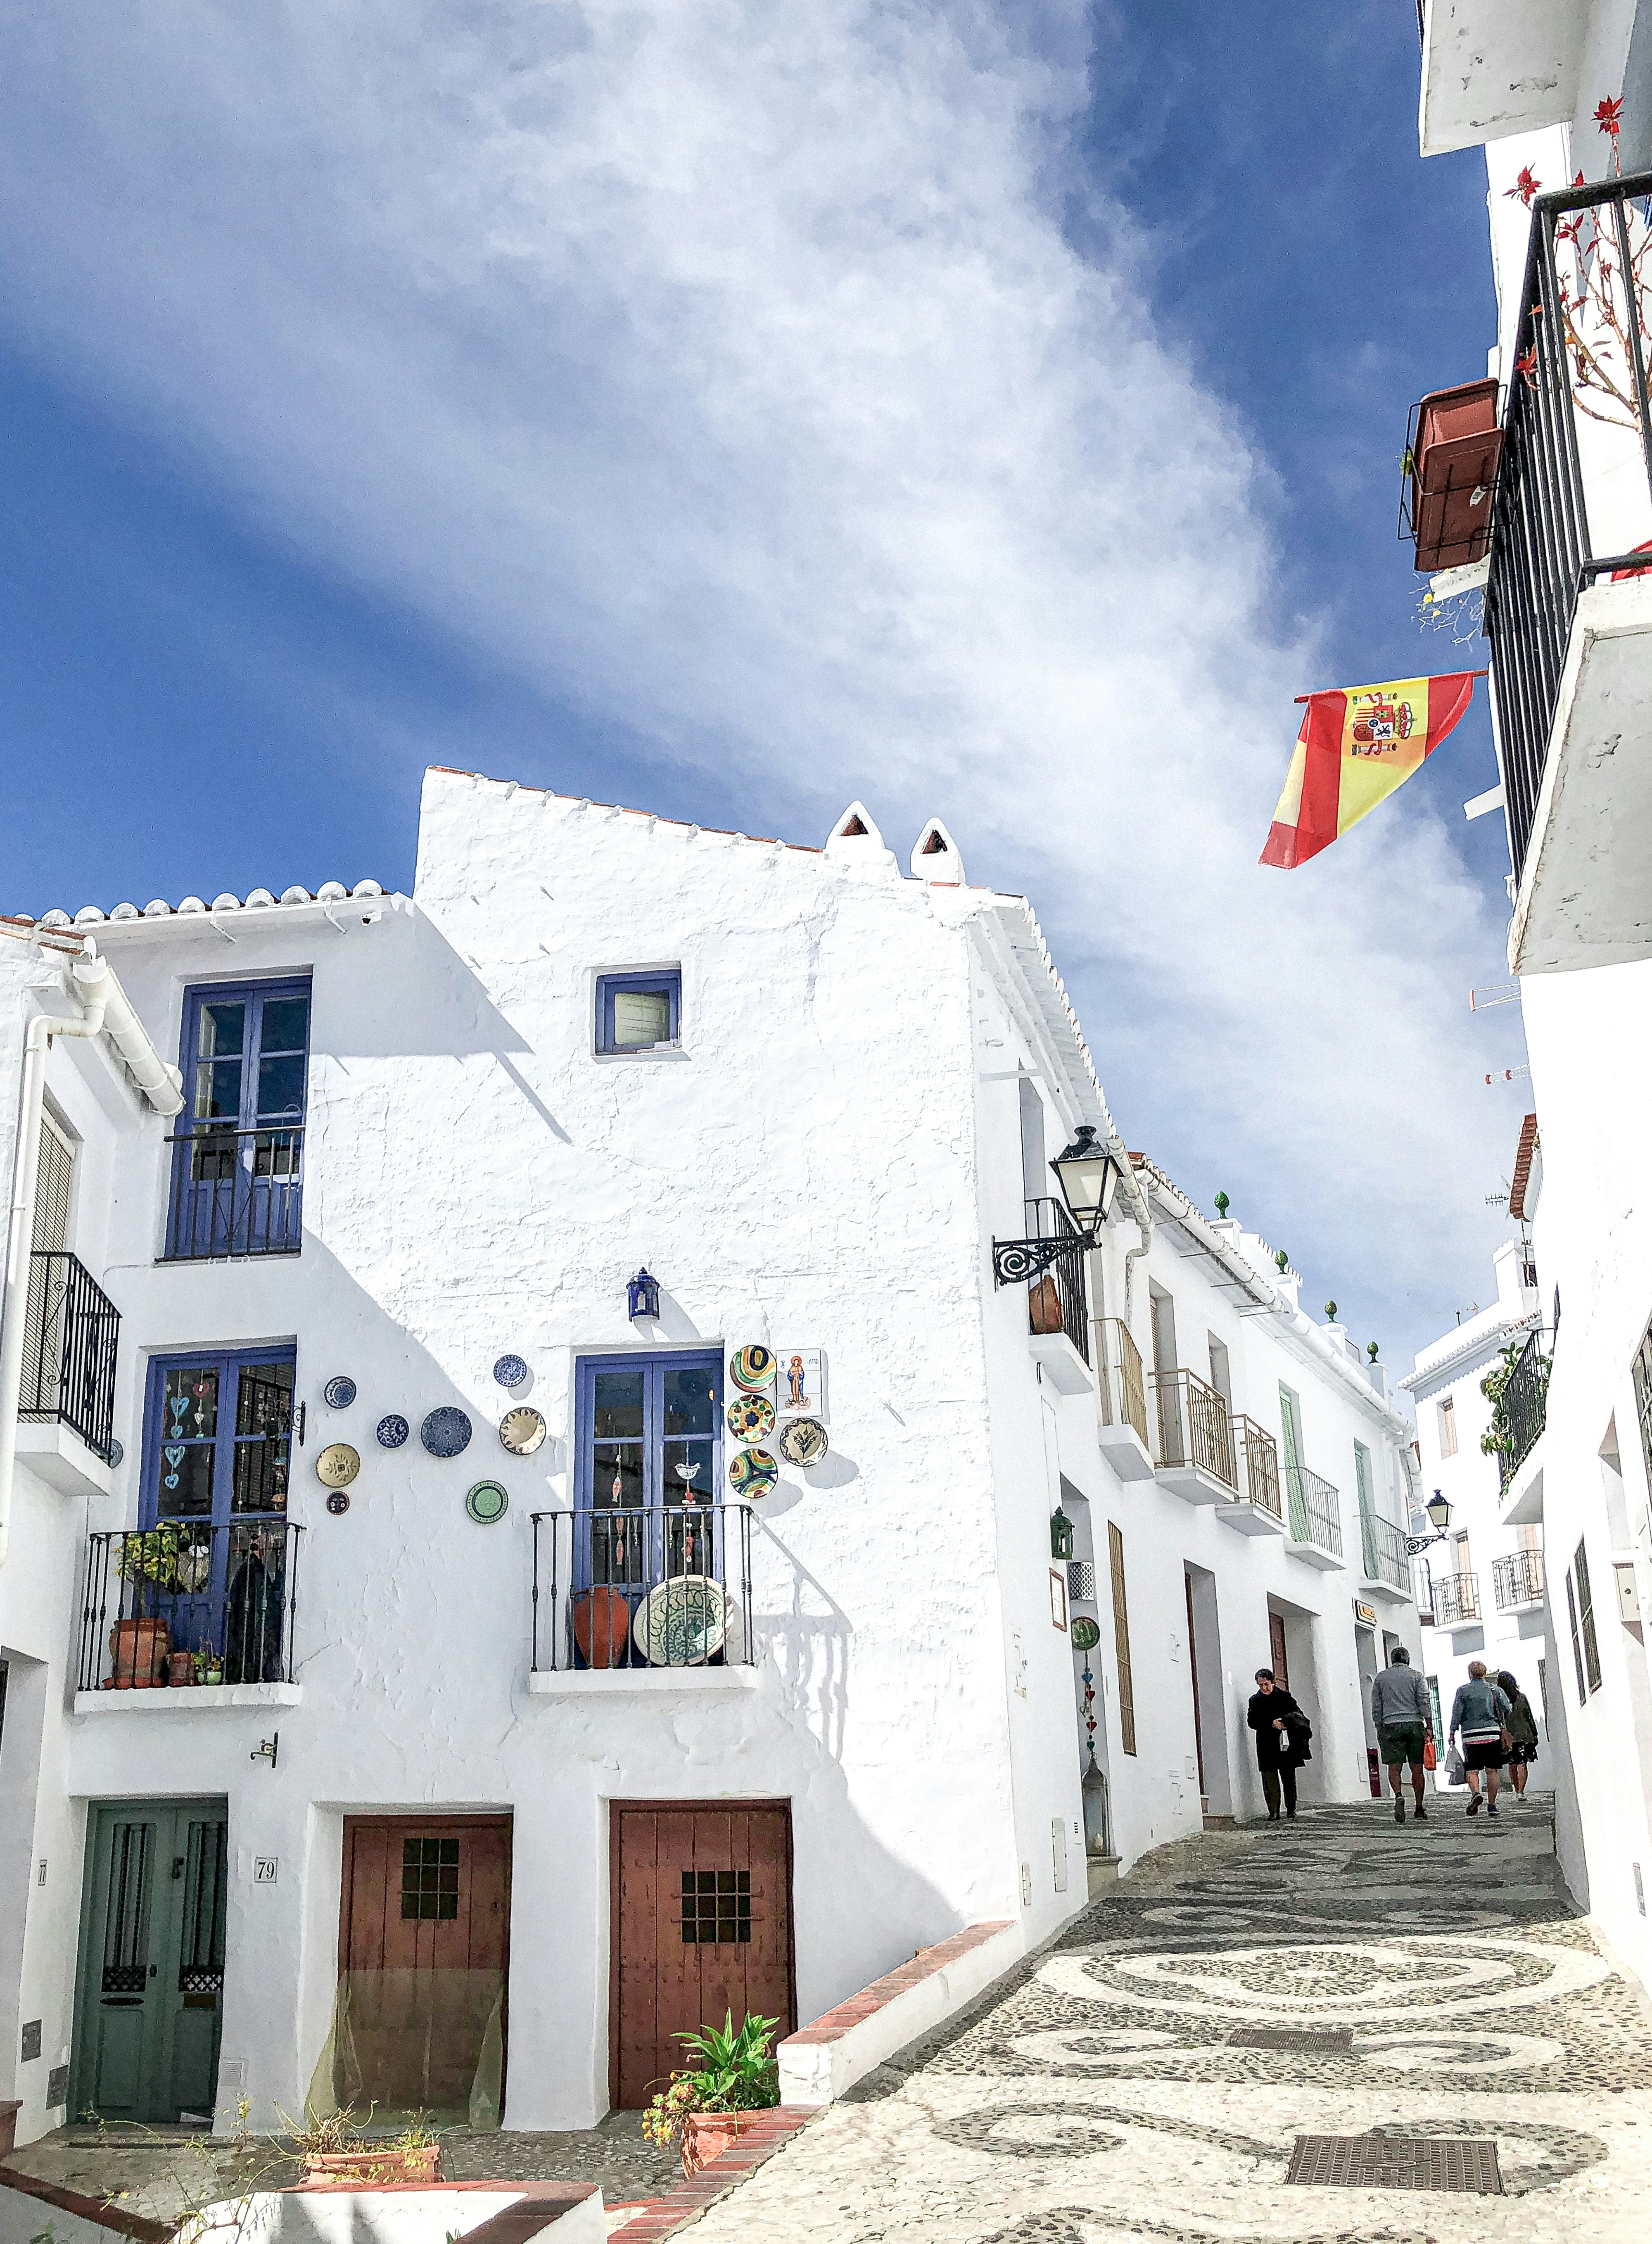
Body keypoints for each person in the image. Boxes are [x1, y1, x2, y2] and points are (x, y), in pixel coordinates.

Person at [1370, 1645, 1433, 1822]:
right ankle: (1419, 1807)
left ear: (1392, 1660)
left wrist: (1379, 1725)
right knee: (1417, 1768)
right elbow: (1424, 1701)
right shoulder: (1417, 1676)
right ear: (1408, 1660)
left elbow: (1376, 1705)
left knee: (1394, 1767)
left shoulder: (1381, 1678)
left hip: (1390, 1725)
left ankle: (1398, 1795)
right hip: (1414, 1724)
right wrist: (1429, 1726)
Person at [1448, 1660, 1512, 1817]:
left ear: (1470, 1674)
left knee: (1472, 1770)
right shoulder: (1494, 1690)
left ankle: (1476, 1793)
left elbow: (1457, 1713)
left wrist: (1452, 1731)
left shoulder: (1462, 1691)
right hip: (1492, 1733)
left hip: (1471, 1736)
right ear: (1484, 1674)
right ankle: (1492, 1806)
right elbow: (1507, 1707)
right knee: (1492, 1771)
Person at [1246, 1667, 1307, 1821]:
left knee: (1288, 1777)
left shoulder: (1285, 1697)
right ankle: (1273, 1811)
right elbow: (1252, 1722)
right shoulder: (1255, 1700)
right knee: (1269, 1779)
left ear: (1272, 1682)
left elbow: (1298, 1714)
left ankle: (1291, 1809)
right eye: (1260, 1685)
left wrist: (1286, 1722)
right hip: (1266, 1743)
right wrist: (1271, 1723)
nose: (1264, 1688)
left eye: (1266, 1684)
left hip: (1285, 1742)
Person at [1497, 1670, 1540, 1798]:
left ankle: (1516, 1789)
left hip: (1510, 1737)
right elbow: (1529, 1717)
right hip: (1525, 1735)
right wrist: (1535, 1733)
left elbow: (1498, 1718)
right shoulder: (1522, 1698)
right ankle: (1520, 1792)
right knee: (1523, 1763)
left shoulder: (1500, 1702)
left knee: (1512, 1763)